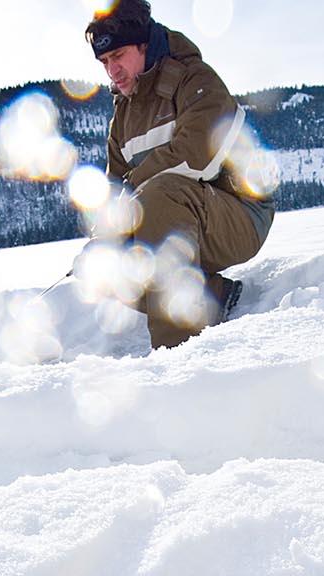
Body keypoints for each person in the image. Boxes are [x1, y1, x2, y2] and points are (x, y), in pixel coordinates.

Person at [86, 0, 274, 349]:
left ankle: (179, 357)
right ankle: (211, 295)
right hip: (177, 214)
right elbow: (115, 188)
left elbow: (197, 157)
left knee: (160, 194)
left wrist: (133, 190)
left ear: (143, 43)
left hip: (240, 215)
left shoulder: (195, 80)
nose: (112, 70)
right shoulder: (122, 117)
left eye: (119, 56)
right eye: (105, 62)